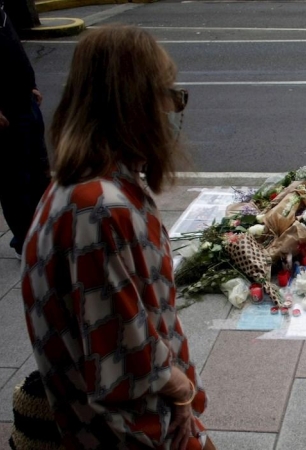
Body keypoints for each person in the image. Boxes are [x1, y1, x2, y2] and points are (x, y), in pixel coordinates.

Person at [20, 25, 215, 450]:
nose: (174, 108)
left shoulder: (88, 188)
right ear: (135, 106)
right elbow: (126, 359)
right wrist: (180, 389)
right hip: (126, 431)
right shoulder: (100, 208)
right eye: (167, 94)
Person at [0, 1, 51, 258]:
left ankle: (45, 232)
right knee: (14, 181)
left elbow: (13, 50)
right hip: (7, 113)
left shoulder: (2, 12)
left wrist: (30, 84)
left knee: (39, 173)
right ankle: (26, 242)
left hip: (25, 102)